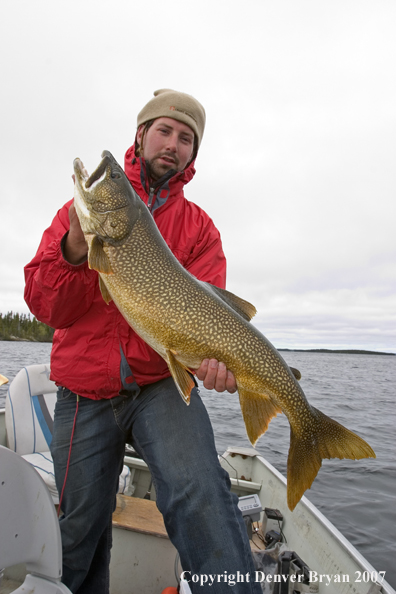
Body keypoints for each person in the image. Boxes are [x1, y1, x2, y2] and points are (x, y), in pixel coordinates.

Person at [24, 89, 261, 594]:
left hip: (161, 387)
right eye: (163, 130)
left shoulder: (200, 230)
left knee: (202, 497)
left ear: (193, 155)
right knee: (78, 528)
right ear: (141, 134)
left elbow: (206, 324)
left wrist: (211, 365)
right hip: (85, 386)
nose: (172, 144)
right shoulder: (78, 216)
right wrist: (72, 247)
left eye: (186, 138)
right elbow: (45, 308)